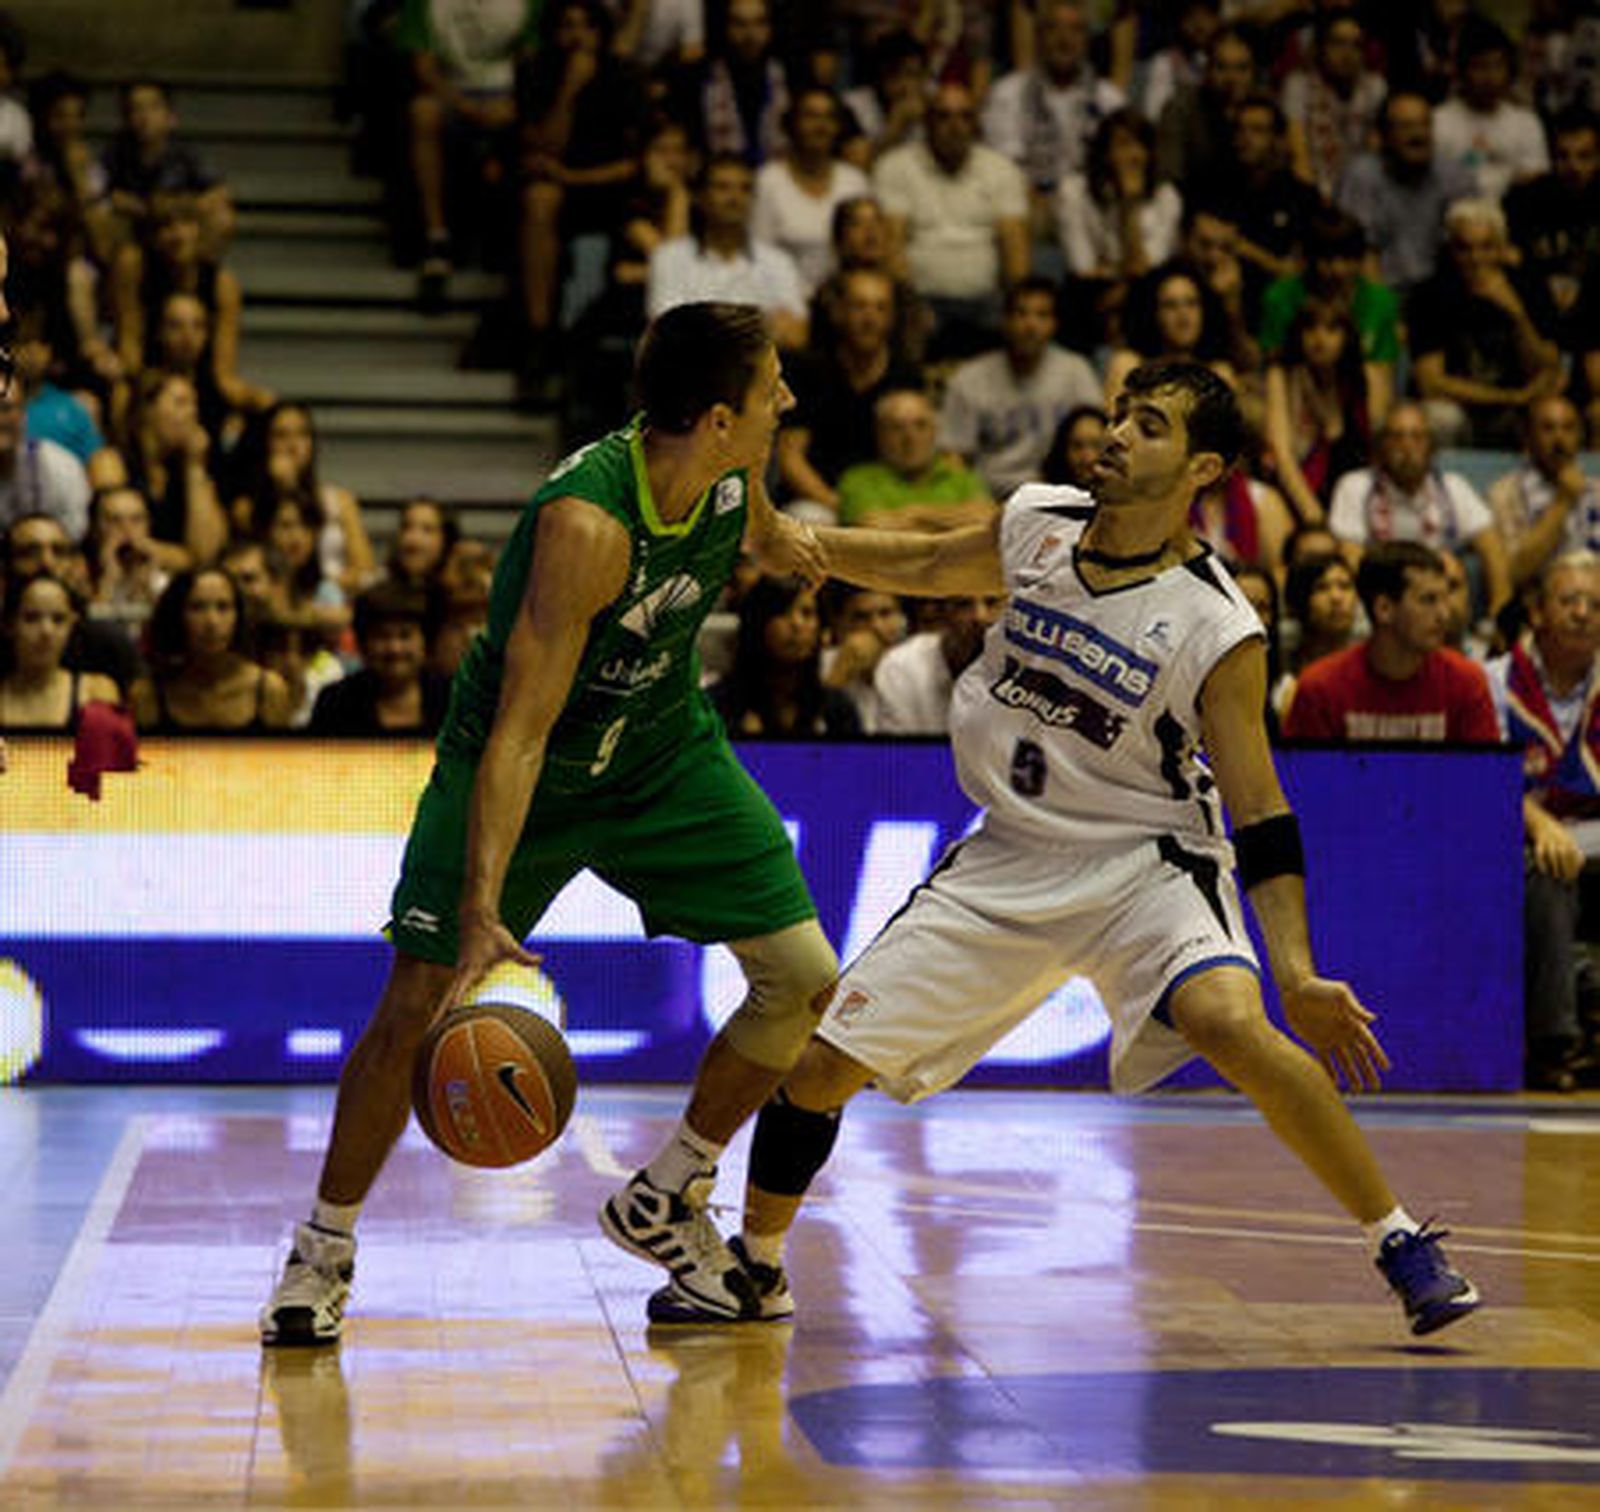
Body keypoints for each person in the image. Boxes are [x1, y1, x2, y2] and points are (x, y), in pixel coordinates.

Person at [672, 359, 1481, 1339]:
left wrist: (1299, 973)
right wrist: (792, 543)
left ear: (1202, 468)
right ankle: (756, 1264)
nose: (1118, 433)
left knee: (1229, 1019)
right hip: (1009, 857)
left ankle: (1398, 1240)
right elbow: (922, 566)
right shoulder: (1042, 523)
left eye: (1148, 425)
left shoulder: (1217, 623)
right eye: (1119, 415)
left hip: (1147, 861)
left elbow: (1260, 810)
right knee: (819, 1068)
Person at [258, 302, 849, 1346]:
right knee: (412, 1004)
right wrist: (482, 911)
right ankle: (322, 1250)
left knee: (803, 980)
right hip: (528, 771)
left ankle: (667, 1192)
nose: (788, 404)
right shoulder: (588, 525)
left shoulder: (725, 466)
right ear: (718, 416)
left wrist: (781, 535)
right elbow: (521, 734)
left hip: (665, 750)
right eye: (771, 393)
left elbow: (750, 513)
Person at [1485, 551, 1600, 1092]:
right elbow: (1479, 781)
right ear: (1536, 612)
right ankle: (1556, 1046)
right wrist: (1538, 823)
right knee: (1548, 872)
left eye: (1595, 605)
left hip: (1594, 835)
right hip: (1514, 840)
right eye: (1570, 601)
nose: (1583, 613)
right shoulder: (1491, 681)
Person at [1281, 541, 1500, 743]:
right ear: (1384, 609)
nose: (1444, 614)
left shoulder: (1467, 683)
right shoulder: (1320, 688)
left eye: (1444, 599)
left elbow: (1486, 780)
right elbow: (1305, 780)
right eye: (1428, 600)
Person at [1328, 402, 1512, 620]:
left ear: (1432, 447)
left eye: (1417, 437)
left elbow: (1493, 552)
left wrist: (1500, 616)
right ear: (1380, 446)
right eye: (1397, 437)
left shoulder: (1454, 487)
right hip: (1380, 606)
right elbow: (1352, 558)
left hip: (1438, 605)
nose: (1407, 447)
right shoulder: (1355, 486)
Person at [1407, 198, 1563, 450]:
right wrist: (1510, 397)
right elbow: (1431, 383)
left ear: (1502, 249)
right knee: (1441, 418)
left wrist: (1517, 315)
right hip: (1462, 407)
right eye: (1464, 248)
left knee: (1550, 412)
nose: (1476, 258)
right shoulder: (1430, 294)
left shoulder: (1530, 287)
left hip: (1516, 411)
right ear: (1450, 250)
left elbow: (1547, 368)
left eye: (1486, 247)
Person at [938, 277, 1102, 499]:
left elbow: (1096, 444)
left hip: (1060, 494)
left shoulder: (1076, 372)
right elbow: (953, 456)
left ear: (1054, 324)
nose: (1030, 325)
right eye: (1020, 313)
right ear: (1004, 321)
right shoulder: (970, 378)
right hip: (989, 498)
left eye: (1042, 315)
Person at [647, 155, 808, 350]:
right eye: (722, 187)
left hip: (762, 377)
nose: (735, 198)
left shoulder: (779, 261)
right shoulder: (668, 257)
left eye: (745, 188)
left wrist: (701, 328)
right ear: (700, 197)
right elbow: (666, 335)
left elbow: (797, 336)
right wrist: (764, 325)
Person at [1337, 90, 1474, 299]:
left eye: (1424, 124)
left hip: (1444, 296)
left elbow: (1475, 246)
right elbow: (1359, 253)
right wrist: (1386, 312)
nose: (1418, 135)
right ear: (1383, 137)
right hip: (1385, 293)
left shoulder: (1454, 176)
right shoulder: (1363, 177)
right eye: (1406, 127)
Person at [129, 566, 294, 732]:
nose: (212, 622)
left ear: (239, 616)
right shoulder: (147, 695)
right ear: (177, 615)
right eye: (197, 607)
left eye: (223, 607)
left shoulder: (269, 690)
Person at [709, 573, 862, 738]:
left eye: (807, 613)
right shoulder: (715, 707)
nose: (797, 624)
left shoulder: (837, 709)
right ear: (757, 623)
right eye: (781, 612)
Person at [835, 388, 993, 532]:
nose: (910, 437)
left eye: (921, 425)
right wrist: (953, 518)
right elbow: (874, 526)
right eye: (897, 427)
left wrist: (915, 514)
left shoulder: (960, 476)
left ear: (935, 431)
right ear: (880, 434)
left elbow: (986, 519)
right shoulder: (858, 479)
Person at [1488, 394, 1600, 592]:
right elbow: (1513, 573)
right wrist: (1563, 501)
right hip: (1537, 601)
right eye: (1548, 429)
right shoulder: (1504, 493)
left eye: (1568, 428)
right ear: (1528, 436)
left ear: (1580, 436)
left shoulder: (1597, 491)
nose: (1559, 439)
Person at [310, 581, 451, 736]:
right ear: (363, 644)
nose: (394, 648)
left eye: (405, 635)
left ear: (425, 641)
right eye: (382, 636)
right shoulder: (335, 701)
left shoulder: (452, 699)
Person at [0, 572, 121, 731]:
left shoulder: (96, 692)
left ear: (72, 626)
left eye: (58, 619)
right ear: (9, 625)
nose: (46, 631)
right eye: (31, 618)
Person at [871, 592, 1004, 735]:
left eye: (992, 602)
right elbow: (898, 755)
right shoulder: (902, 666)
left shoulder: (1028, 664)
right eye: (963, 605)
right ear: (943, 615)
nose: (980, 616)